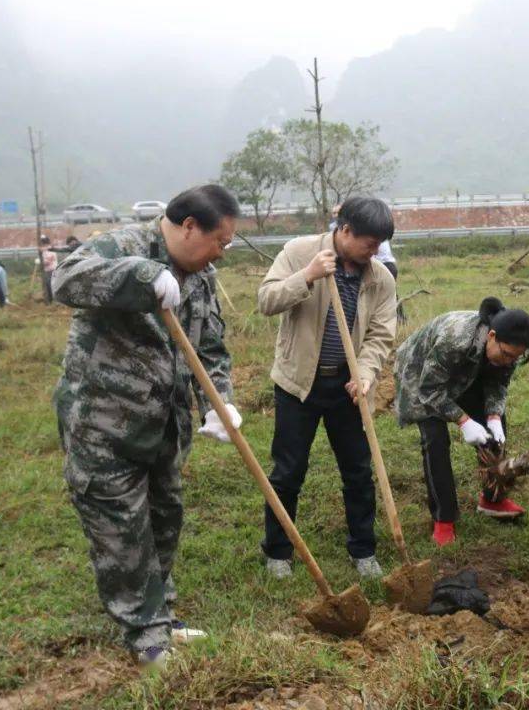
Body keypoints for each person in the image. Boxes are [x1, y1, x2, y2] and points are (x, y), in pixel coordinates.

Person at [52, 184, 242, 666]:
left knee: (163, 521)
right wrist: (142, 277)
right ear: (189, 226)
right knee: (122, 531)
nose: (223, 250)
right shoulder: (123, 247)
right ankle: (145, 635)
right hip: (104, 425)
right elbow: (66, 279)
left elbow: (211, 348)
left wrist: (220, 402)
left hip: (163, 427)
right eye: (220, 240)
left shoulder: (201, 276)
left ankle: (162, 616)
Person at [256, 196, 397, 579]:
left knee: (358, 471)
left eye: (379, 245)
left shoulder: (379, 277)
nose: (374, 252)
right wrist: (307, 276)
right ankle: (278, 551)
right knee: (288, 471)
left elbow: (382, 334)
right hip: (297, 384)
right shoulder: (300, 251)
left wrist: (366, 373)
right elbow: (266, 300)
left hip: (348, 388)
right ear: (345, 231)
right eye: (369, 244)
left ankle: (364, 550)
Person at [394, 297, 529, 546]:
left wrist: (492, 417)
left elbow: (497, 383)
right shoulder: (455, 338)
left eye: (515, 358)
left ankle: (492, 499)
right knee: (435, 439)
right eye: (505, 354)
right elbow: (430, 390)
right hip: (421, 375)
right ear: (491, 335)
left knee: (497, 427)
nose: (509, 361)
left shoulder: (509, 351)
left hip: (465, 372)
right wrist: (464, 420)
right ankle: (443, 519)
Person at [39, 235, 58, 304]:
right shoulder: (44, 251)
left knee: (51, 285)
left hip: (51, 270)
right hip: (47, 270)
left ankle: (53, 300)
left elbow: (49, 261)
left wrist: (41, 262)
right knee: (47, 285)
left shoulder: (50, 250)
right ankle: (50, 300)